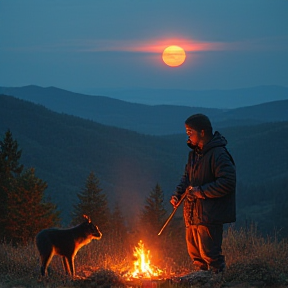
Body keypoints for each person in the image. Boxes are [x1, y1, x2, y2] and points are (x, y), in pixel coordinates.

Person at [170, 113, 236, 276]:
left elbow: (227, 181)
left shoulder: (218, 154)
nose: (188, 135)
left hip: (209, 215)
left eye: (190, 132)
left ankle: (218, 280)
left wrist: (200, 192)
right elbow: (187, 178)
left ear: (202, 132)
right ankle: (200, 281)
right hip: (192, 214)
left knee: (211, 256)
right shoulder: (193, 154)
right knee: (197, 257)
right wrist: (178, 194)